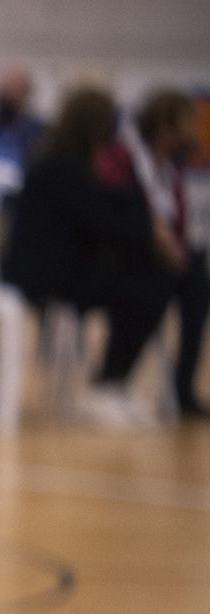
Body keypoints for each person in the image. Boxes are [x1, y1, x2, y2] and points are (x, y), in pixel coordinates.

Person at [4, 88, 180, 431]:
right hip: (41, 273)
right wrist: (150, 231)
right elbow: (101, 220)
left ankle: (113, 383)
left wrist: (147, 225)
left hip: (60, 268)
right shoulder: (62, 168)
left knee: (146, 280)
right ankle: (107, 386)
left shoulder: (71, 164)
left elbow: (112, 204)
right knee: (145, 286)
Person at [122, 88, 207, 419]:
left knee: (198, 286)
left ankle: (183, 387)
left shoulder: (172, 168)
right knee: (155, 285)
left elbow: (177, 224)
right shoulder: (130, 158)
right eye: (188, 122)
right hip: (132, 254)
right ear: (167, 124)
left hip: (162, 255)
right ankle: (115, 377)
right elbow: (129, 214)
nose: (193, 130)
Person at [0, 64, 46, 169]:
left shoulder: (40, 131)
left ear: (26, 94)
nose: (5, 97)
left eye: (12, 91)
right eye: (2, 90)